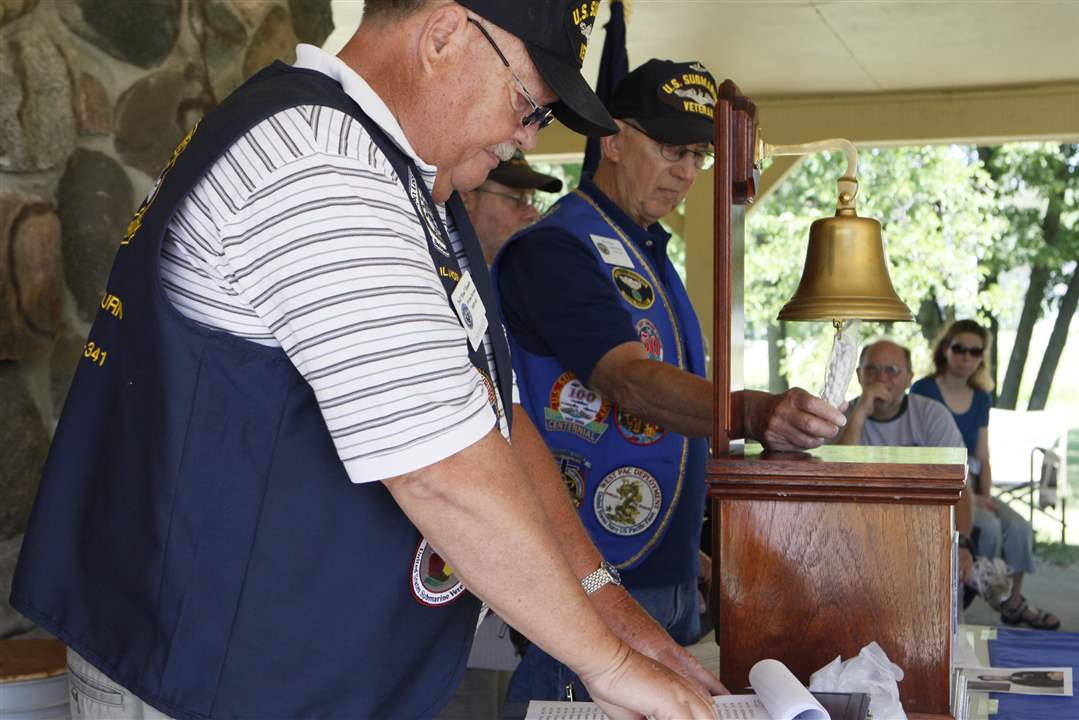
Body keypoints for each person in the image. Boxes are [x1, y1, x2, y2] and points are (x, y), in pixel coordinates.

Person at [10, 4, 722, 720]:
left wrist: (606, 602)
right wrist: (608, 664)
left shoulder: (408, 180)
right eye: (527, 105)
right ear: (443, 35)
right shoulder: (320, 159)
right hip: (207, 681)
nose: (524, 138)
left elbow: (490, 413)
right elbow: (440, 469)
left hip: (295, 677)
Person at [494, 58, 847, 703]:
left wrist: (694, 553)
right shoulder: (556, 250)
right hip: (588, 569)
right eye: (669, 149)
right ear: (613, 138)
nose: (686, 172)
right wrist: (750, 412)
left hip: (666, 566)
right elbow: (628, 381)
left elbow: (660, 434)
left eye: (698, 156)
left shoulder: (649, 251)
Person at [911, 319, 1059, 630]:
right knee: (989, 526)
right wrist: (971, 495)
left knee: (1018, 526)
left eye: (975, 351)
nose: (966, 357)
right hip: (943, 484)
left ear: (982, 357)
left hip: (975, 484)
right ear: (945, 350)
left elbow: (983, 454)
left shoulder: (981, 397)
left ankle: (1012, 601)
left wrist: (985, 495)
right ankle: (981, 590)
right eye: (959, 349)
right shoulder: (923, 390)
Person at [834, 339, 980, 588]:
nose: (882, 379)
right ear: (858, 375)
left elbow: (960, 484)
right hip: (858, 530)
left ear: (909, 378)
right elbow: (837, 479)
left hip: (925, 526)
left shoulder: (932, 416)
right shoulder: (839, 417)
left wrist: (962, 543)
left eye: (892, 370)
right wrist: (859, 414)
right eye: (872, 370)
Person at [461, 149, 562, 264]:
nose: (534, 214)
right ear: (466, 200)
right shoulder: (439, 271)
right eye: (517, 199)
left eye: (532, 200)